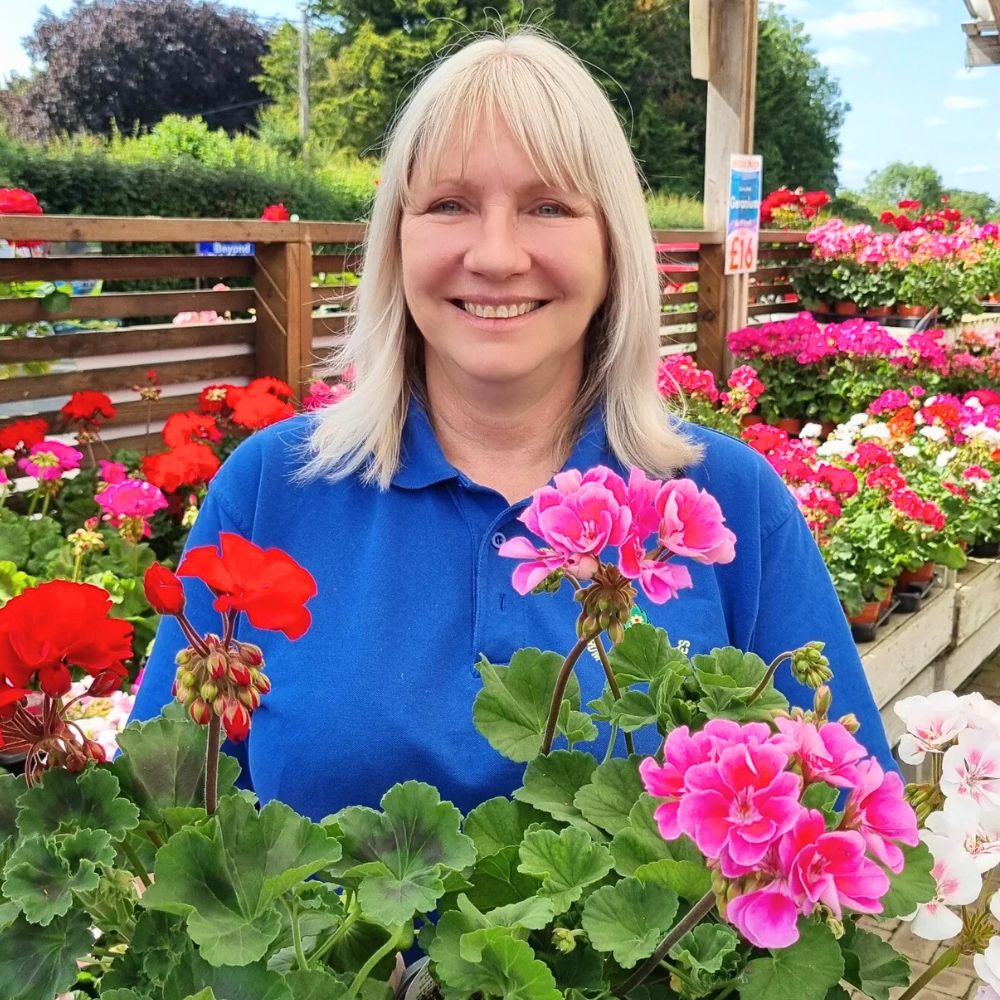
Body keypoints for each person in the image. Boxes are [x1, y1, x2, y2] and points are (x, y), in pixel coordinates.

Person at [129, 30, 894, 822]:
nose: (496, 256)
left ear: (612, 249)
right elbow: (163, 814)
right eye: (451, 205)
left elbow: (852, 819)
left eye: (549, 206)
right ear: (397, 239)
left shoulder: (723, 505)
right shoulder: (271, 489)